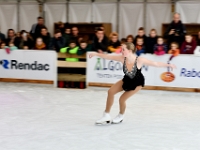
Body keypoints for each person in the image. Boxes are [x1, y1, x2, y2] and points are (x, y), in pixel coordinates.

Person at [89, 42, 176, 124]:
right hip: (126, 79)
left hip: (137, 83)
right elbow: (108, 57)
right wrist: (95, 54)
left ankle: (121, 115)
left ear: (129, 51)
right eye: (121, 49)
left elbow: (155, 63)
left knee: (122, 99)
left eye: (123, 49)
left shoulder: (139, 60)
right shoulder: (122, 58)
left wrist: (168, 65)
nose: (121, 51)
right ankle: (106, 115)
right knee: (110, 92)